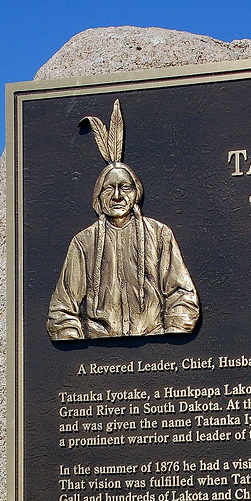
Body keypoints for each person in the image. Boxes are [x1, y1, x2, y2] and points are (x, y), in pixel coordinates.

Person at [46, 103, 199, 341]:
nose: (117, 195)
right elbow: (61, 310)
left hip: (155, 345)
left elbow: (181, 295)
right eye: (110, 188)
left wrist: (171, 339)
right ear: (99, 194)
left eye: (124, 187)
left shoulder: (159, 234)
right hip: (97, 354)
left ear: (136, 192)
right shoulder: (83, 243)